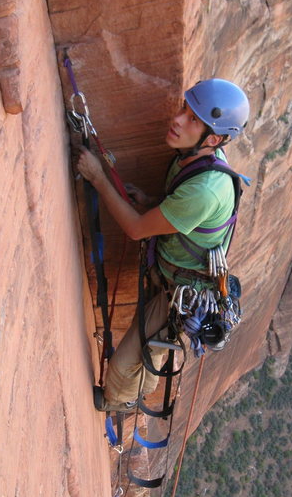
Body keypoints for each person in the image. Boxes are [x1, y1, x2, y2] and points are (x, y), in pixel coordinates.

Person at [77, 78, 249, 412]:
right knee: (151, 344)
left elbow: (137, 229)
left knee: (124, 364)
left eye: (193, 119)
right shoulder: (197, 156)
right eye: (185, 109)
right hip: (172, 271)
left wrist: (97, 177)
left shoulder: (206, 190)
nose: (178, 119)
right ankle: (147, 379)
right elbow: (182, 209)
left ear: (212, 139)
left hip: (183, 291)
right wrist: (154, 201)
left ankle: (120, 401)